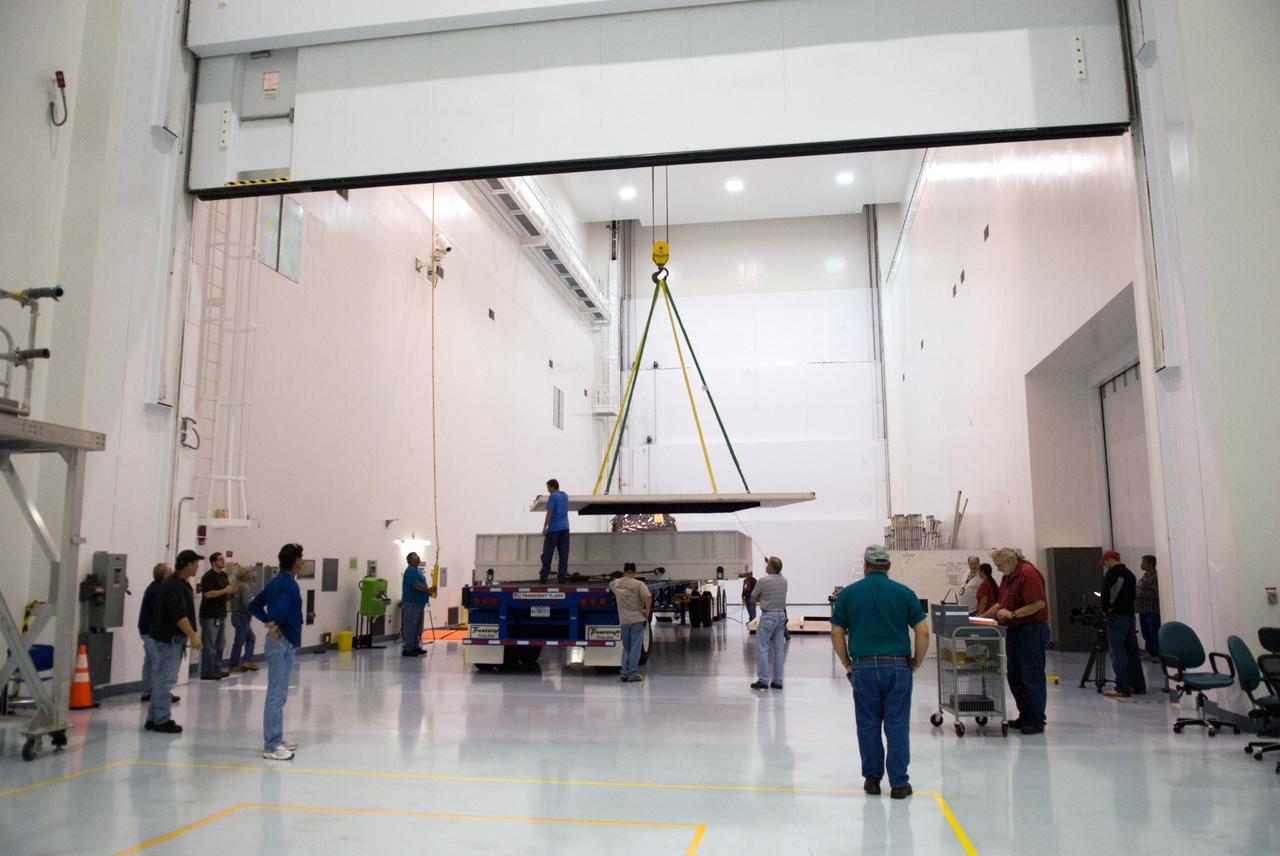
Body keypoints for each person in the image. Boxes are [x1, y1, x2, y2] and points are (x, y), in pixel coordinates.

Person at [830, 546, 930, 800]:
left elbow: (836, 632)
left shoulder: (849, 594)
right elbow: (923, 631)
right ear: (888, 567)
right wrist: (916, 663)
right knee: (897, 725)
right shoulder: (904, 593)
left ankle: (872, 780)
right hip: (897, 666)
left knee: (867, 724)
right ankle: (899, 784)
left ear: (865, 566)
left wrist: (847, 663)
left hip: (863, 667)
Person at [250, 542, 304, 761]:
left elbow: (254, 605)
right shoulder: (288, 585)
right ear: (295, 561)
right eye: (301, 558)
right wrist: (273, 623)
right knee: (276, 694)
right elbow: (281, 609)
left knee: (279, 694)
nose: (302, 561)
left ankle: (276, 737)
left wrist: (267, 620)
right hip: (281, 642)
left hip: (283, 641)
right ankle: (271, 745)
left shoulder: (276, 582)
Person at [988, 547, 1051, 734]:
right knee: (1015, 676)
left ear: (1009, 560)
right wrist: (979, 617)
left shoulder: (1028, 574)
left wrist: (1013, 614)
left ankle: (1036, 719)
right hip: (1014, 632)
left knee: (1031, 676)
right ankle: (1025, 715)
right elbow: (1001, 604)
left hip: (1031, 631)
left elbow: (1038, 603)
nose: (998, 569)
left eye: (999, 565)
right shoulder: (1008, 577)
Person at [144, 550, 203, 734]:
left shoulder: (182, 584)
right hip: (168, 639)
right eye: (195, 563)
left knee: (161, 678)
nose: (197, 566)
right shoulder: (174, 585)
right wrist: (193, 636)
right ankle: (162, 720)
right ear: (188, 565)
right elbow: (179, 615)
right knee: (166, 680)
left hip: (171, 638)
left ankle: (153, 718)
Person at [1100, 550, 1147, 698]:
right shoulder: (1130, 574)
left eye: (1105, 563)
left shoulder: (1113, 574)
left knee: (1118, 652)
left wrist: (1106, 609)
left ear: (1109, 560)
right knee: (1132, 652)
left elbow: (1107, 594)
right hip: (1129, 616)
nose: (1105, 566)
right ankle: (1138, 685)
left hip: (1117, 616)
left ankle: (1122, 688)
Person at [138, 562, 179, 705]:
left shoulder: (153, 587)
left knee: (150, 662)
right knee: (158, 662)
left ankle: (148, 692)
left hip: (146, 629)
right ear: (165, 575)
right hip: (152, 631)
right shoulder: (160, 590)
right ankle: (159, 693)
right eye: (170, 572)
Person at [609, 562, 653, 682]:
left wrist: (617, 578)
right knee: (635, 647)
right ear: (634, 572)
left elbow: (611, 583)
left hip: (624, 621)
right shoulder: (639, 584)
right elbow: (648, 596)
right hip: (637, 619)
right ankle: (632, 674)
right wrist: (647, 610)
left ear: (624, 571)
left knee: (626, 647)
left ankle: (624, 672)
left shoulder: (616, 584)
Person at [198, 552, 237, 681]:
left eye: (223, 559)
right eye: (220, 559)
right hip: (210, 614)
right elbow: (208, 594)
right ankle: (206, 671)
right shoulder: (208, 577)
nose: (223, 561)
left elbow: (226, 591)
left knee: (220, 643)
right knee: (210, 644)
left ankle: (216, 668)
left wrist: (231, 591)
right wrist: (225, 591)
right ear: (213, 562)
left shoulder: (224, 575)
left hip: (221, 613)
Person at [750, 556, 788, 690]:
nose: (766, 566)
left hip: (768, 617)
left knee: (762, 648)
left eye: (767, 565)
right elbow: (775, 568)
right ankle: (778, 681)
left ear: (770, 567)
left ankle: (763, 680)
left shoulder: (763, 581)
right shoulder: (784, 581)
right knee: (779, 650)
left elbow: (753, 598)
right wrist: (770, 561)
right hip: (781, 616)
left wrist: (762, 598)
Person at [401, 552, 435, 657]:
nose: (418, 556)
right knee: (411, 625)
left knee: (417, 626)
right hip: (412, 603)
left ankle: (415, 646)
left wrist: (429, 592)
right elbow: (416, 585)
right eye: (415, 556)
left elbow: (421, 585)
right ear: (410, 560)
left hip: (419, 603)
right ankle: (408, 648)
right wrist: (428, 590)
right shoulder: (410, 570)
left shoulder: (417, 571)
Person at [228, 566, 259, 672]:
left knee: (250, 638)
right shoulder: (244, 587)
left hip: (236, 616)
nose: (251, 574)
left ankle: (246, 661)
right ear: (244, 574)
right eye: (249, 572)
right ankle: (234, 665)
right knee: (240, 641)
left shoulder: (235, 585)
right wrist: (253, 612)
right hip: (242, 617)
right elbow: (246, 604)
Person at [539, 478, 570, 584]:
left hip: (554, 529)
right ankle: (561, 578)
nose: (548, 490)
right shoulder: (565, 496)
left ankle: (544, 577)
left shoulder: (553, 496)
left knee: (547, 554)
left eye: (548, 487)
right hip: (565, 528)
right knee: (563, 554)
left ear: (552, 487)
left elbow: (549, 513)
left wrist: (544, 527)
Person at [1135, 555, 1161, 661]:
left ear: (1151, 564)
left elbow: (1156, 593)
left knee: (1153, 632)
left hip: (1152, 610)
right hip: (1143, 609)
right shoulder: (1145, 576)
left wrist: (1140, 594)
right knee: (1146, 633)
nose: (1142, 564)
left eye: (1144, 562)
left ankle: (1157, 654)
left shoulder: (1155, 577)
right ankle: (1149, 652)